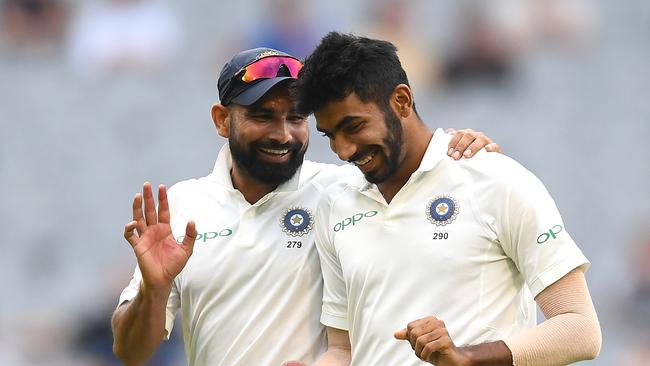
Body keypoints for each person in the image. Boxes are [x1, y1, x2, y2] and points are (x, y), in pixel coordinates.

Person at [111, 47, 501, 366]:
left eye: (295, 118)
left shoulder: (345, 189)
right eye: (263, 117)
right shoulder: (181, 204)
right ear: (222, 120)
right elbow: (130, 352)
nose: (282, 135)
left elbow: (416, 164)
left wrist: (458, 145)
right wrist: (154, 290)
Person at [292, 32, 601, 366]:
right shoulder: (336, 203)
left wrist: (467, 358)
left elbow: (580, 329)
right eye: (331, 135)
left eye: (353, 126)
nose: (343, 150)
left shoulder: (496, 180)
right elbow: (345, 350)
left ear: (402, 101)